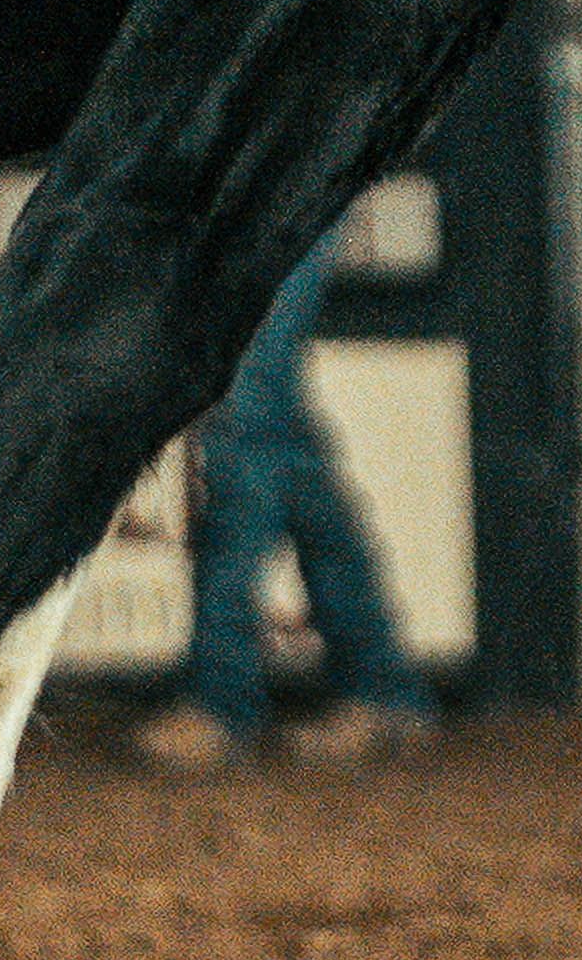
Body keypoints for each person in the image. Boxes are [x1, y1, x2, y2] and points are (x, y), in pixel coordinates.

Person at [137, 235, 430, 772]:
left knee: (242, 411)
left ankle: (221, 697)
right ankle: (379, 683)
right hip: (241, 192)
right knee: (281, 436)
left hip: (285, 185)